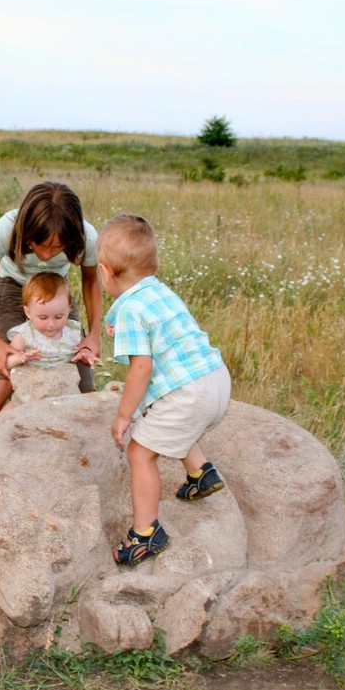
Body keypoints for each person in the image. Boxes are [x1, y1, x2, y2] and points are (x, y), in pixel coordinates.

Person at [97, 213, 231, 566]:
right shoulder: (160, 291)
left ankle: (145, 533)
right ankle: (201, 472)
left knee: (141, 452)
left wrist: (123, 414)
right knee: (168, 418)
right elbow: (155, 326)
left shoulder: (131, 310)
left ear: (106, 271)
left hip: (188, 394)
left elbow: (142, 367)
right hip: (215, 380)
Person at [0, 182, 102, 443]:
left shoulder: (87, 237)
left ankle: (77, 450)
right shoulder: (6, 229)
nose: (47, 254)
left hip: (53, 292)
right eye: (39, 245)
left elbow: (91, 282)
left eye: (57, 247)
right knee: (7, 372)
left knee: (81, 374)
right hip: (9, 285)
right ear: (26, 230)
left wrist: (93, 334)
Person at [4, 272, 86, 370]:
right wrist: (19, 358)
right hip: (32, 380)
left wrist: (86, 353)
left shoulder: (73, 331)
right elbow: (6, 362)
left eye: (59, 317)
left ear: (69, 309)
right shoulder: (24, 335)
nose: (51, 324)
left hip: (65, 380)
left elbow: (84, 351)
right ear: (28, 312)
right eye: (43, 318)